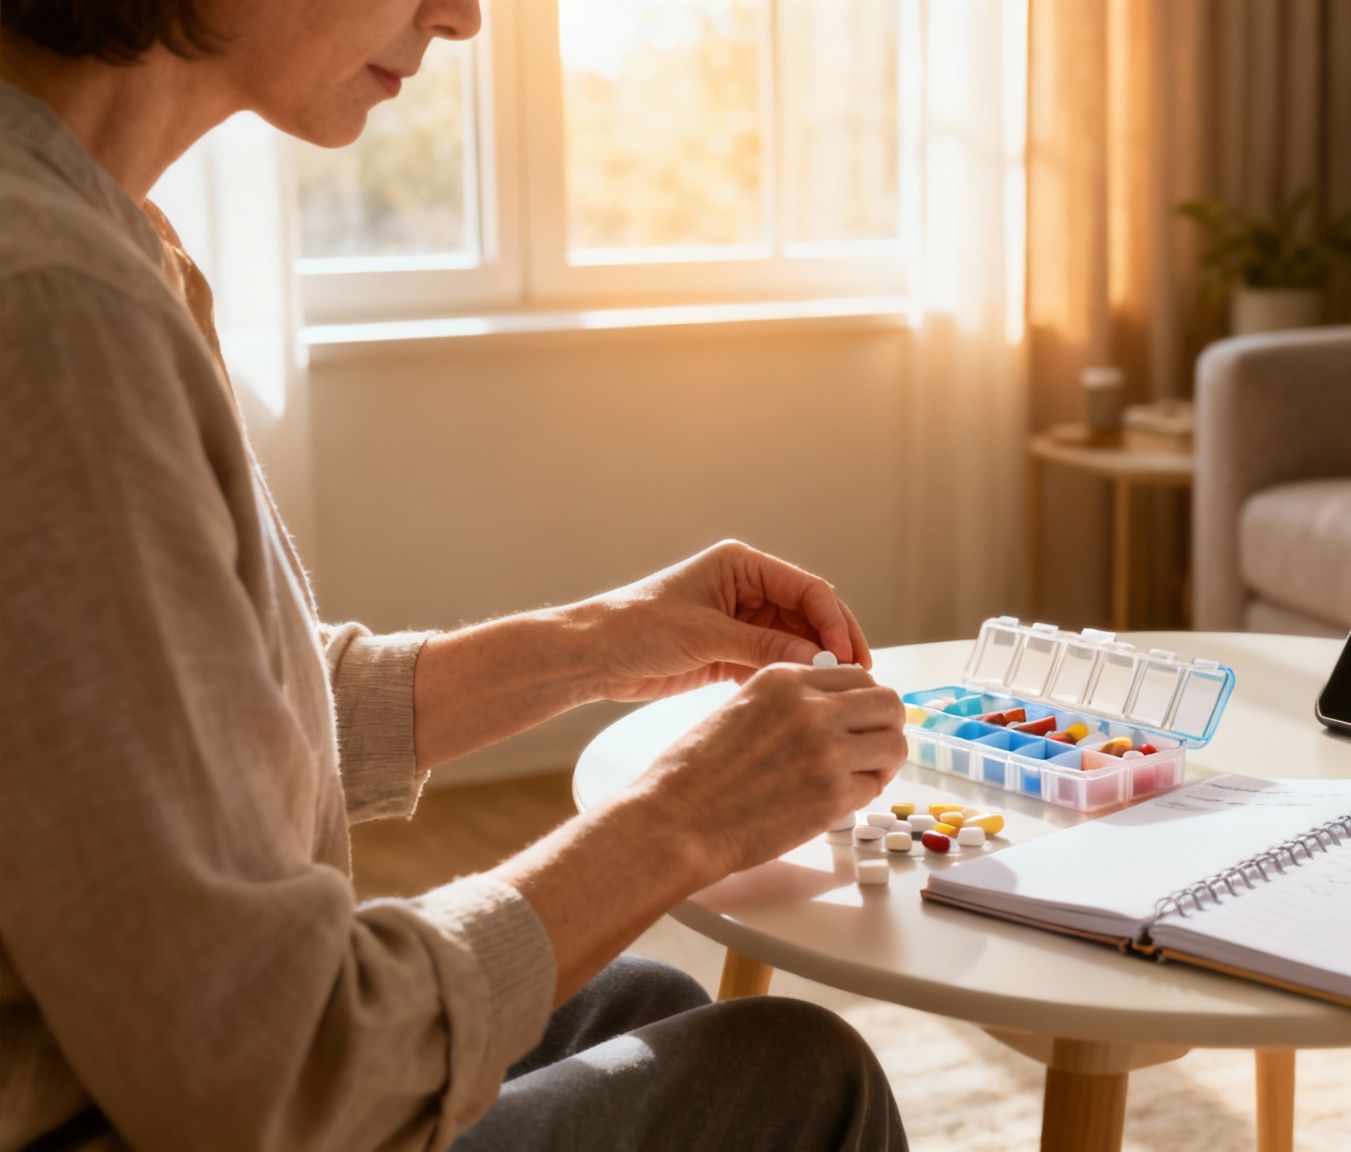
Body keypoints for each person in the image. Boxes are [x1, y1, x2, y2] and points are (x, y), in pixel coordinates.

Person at [0, 0, 910, 1148]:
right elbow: (269, 1077)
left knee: (646, 1004)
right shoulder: (54, 307)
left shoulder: (103, 229)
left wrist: (598, 641)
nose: (465, 16)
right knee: (798, 1077)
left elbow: (182, 721)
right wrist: (680, 820)